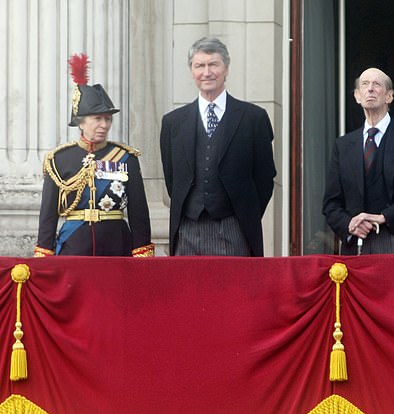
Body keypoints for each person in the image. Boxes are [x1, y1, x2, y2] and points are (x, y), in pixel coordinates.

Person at [160, 37, 276, 256]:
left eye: (213, 64)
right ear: (191, 70)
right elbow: (172, 179)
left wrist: (244, 213)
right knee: (189, 290)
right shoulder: (172, 123)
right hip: (187, 229)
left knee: (234, 290)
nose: (207, 72)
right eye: (199, 66)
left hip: (235, 229)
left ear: (226, 68)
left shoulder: (253, 118)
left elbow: (264, 177)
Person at [34, 54, 154, 257]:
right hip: (74, 244)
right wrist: (44, 251)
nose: (104, 125)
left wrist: (141, 250)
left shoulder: (126, 158)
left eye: (108, 119)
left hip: (116, 245)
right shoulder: (59, 159)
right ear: (80, 122)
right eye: (97, 118)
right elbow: (48, 214)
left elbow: (139, 212)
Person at [322, 67, 394, 255]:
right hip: (356, 242)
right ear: (357, 96)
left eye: (377, 84)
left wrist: (384, 217)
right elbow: (331, 203)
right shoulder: (343, 146)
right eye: (365, 84)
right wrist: (349, 225)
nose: (371, 89)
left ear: (389, 96)